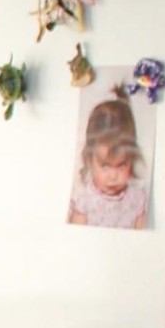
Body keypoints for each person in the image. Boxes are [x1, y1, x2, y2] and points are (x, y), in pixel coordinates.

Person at [68, 96, 150, 229]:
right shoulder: (83, 199)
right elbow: (75, 239)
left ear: (132, 159)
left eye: (121, 166)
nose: (113, 177)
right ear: (89, 159)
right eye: (105, 166)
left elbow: (144, 240)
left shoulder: (137, 199)